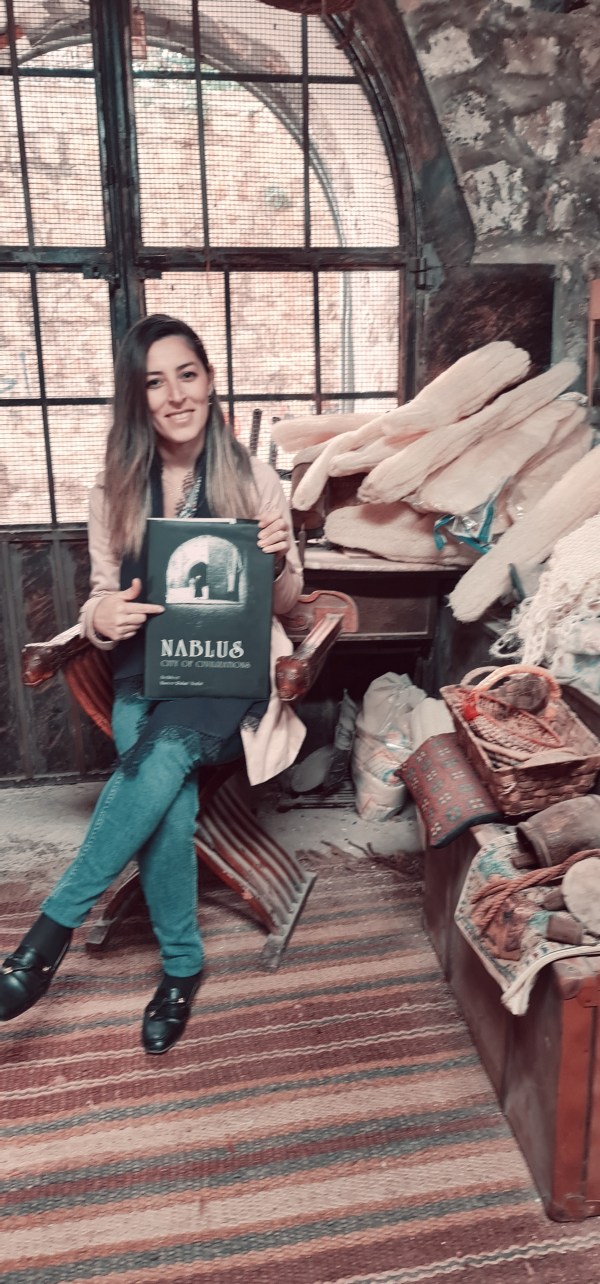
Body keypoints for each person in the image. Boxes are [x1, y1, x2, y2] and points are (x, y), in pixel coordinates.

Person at [0, 314, 305, 1053]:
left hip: (227, 672)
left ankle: (44, 940)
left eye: (187, 375)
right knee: (166, 799)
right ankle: (181, 968)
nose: (175, 395)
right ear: (137, 399)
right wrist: (102, 615)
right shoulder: (114, 488)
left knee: (160, 757)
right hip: (146, 670)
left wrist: (276, 560)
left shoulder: (253, 477)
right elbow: (100, 598)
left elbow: (290, 600)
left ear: (209, 380)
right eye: (155, 382)